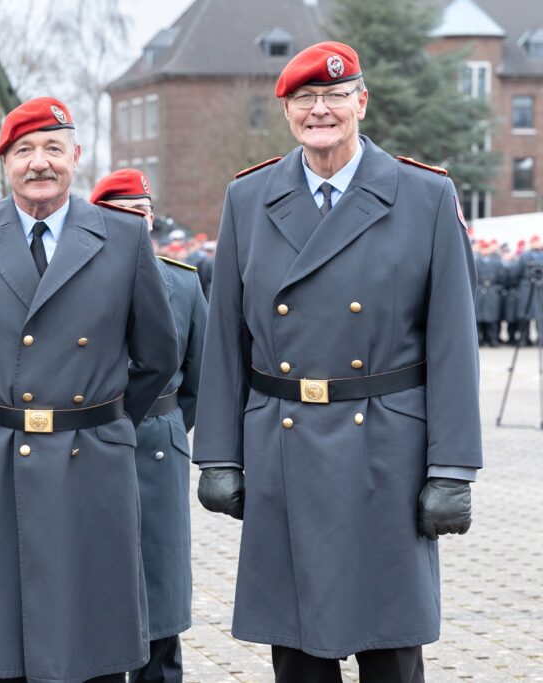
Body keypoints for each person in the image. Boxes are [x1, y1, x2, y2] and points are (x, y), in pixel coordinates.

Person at [194, 42, 481, 683]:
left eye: (334, 96)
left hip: (387, 448)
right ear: (288, 111)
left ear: (361, 102)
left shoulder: (424, 195)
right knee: (296, 649)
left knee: (390, 646)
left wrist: (453, 468)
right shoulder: (249, 198)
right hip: (283, 443)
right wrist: (218, 454)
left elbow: (453, 343)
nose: (319, 111)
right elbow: (225, 341)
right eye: (304, 99)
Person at [0, 97, 178, 682]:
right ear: (3, 161)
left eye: (53, 149)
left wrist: (105, 424)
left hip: (92, 463)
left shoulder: (124, 237)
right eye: (24, 150)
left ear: (76, 157)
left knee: (93, 637)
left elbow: (158, 357)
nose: (40, 164)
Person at [90, 169, 207, 683]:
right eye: (119, 215)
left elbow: (200, 381)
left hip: (158, 444)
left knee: (160, 585)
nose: (133, 224)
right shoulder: (80, 284)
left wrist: (165, 426)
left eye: (139, 213)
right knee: (97, 583)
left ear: (152, 218)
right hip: (90, 445)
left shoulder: (182, 283)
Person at [514, 235, 543, 346]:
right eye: (534, 242)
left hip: (540, 289)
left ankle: (541, 339)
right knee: (525, 315)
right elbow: (517, 272)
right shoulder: (524, 256)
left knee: (541, 315)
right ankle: (523, 339)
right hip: (526, 287)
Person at [475, 240, 504, 347]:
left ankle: (493, 339)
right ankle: (479, 340)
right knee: (478, 319)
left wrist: (496, 288)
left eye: (487, 248)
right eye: (483, 249)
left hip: (492, 291)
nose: (485, 251)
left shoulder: (496, 262)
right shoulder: (475, 261)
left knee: (493, 319)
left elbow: (503, 277)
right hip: (479, 291)